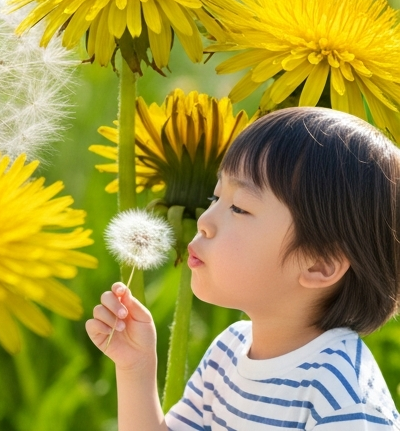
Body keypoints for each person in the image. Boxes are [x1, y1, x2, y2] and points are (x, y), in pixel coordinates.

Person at [89, 106, 400, 430]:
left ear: (319, 263)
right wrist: (135, 369)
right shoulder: (228, 351)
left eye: (238, 207)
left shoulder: (342, 394)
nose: (205, 221)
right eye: (215, 196)